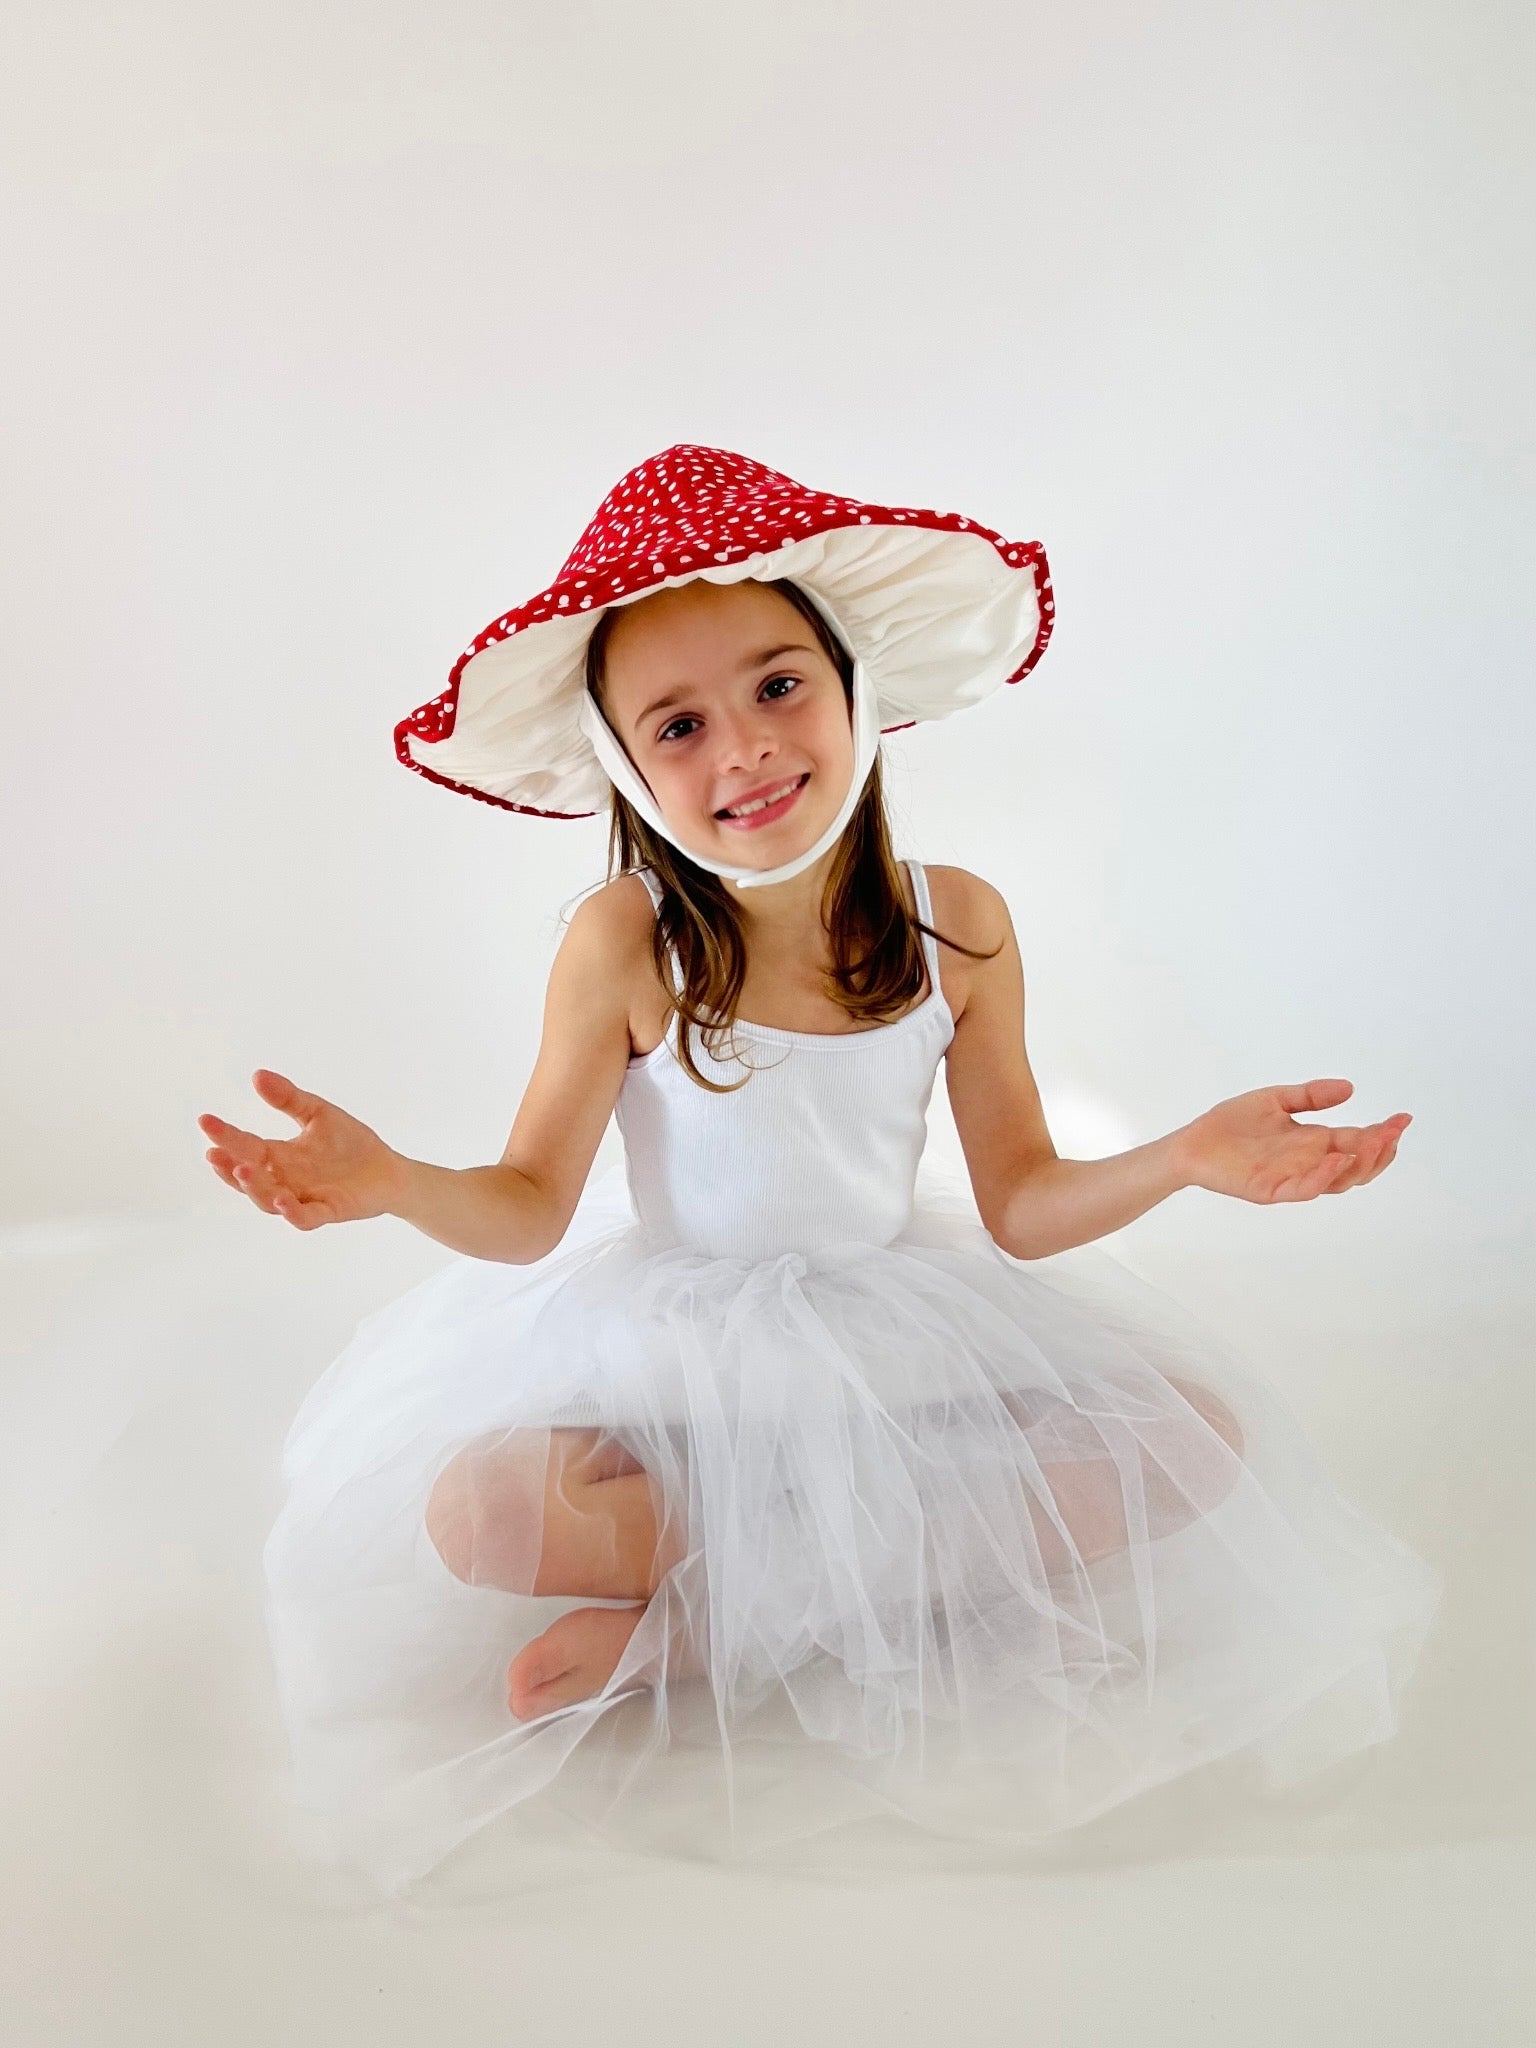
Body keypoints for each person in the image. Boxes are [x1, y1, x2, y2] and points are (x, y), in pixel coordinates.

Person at [200, 444, 1441, 1897]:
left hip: (895, 1340)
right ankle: (860, 1587)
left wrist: (1184, 1156)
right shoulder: (627, 943)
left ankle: (697, 1624)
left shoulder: (957, 925)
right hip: (684, 1370)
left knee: (1192, 1437)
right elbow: (528, 1208)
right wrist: (395, 1177)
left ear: (855, 688)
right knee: (477, 1511)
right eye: (679, 725)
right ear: (624, 769)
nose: (746, 751)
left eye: (780, 686)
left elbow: (1026, 1207)